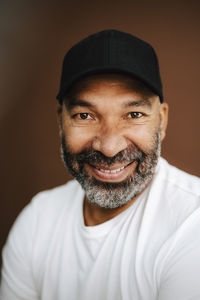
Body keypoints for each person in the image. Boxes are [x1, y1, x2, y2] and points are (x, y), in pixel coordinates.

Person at [0, 29, 200, 300]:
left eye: (133, 114)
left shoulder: (192, 222)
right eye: (85, 115)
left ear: (161, 121)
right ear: (61, 122)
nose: (109, 146)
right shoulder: (37, 221)